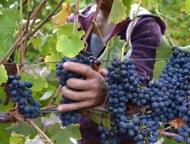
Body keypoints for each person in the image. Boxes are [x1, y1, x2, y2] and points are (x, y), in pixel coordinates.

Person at [57, 0, 166, 143]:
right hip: (86, 135)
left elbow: (140, 84)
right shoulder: (77, 21)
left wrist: (108, 92)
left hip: (130, 136)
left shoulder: (143, 24)